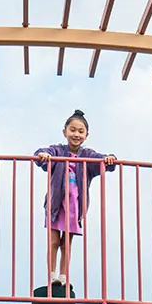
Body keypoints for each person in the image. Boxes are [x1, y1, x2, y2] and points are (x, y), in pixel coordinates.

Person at [33, 109, 117, 289]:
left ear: (86, 136)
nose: (76, 134)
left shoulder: (87, 155)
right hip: (56, 203)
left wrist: (110, 159)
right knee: (54, 240)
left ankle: (63, 276)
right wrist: (44, 155)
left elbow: (103, 160)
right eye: (72, 130)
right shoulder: (57, 150)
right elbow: (41, 153)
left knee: (66, 242)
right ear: (65, 132)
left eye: (80, 131)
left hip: (74, 207)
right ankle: (51, 275)